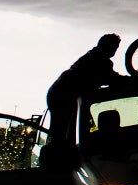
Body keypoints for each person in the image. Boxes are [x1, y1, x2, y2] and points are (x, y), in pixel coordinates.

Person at [44, 33, 126, 163]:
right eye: (114, 47)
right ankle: (59, 160)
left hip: (60, 93)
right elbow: (112, 79)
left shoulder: (97, 59)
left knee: (65, 131)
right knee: (61, 133)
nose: (115, 50)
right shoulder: (96, 61)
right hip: (60, 94)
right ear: (105, 46)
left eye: (116, 47)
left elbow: (111, 79)